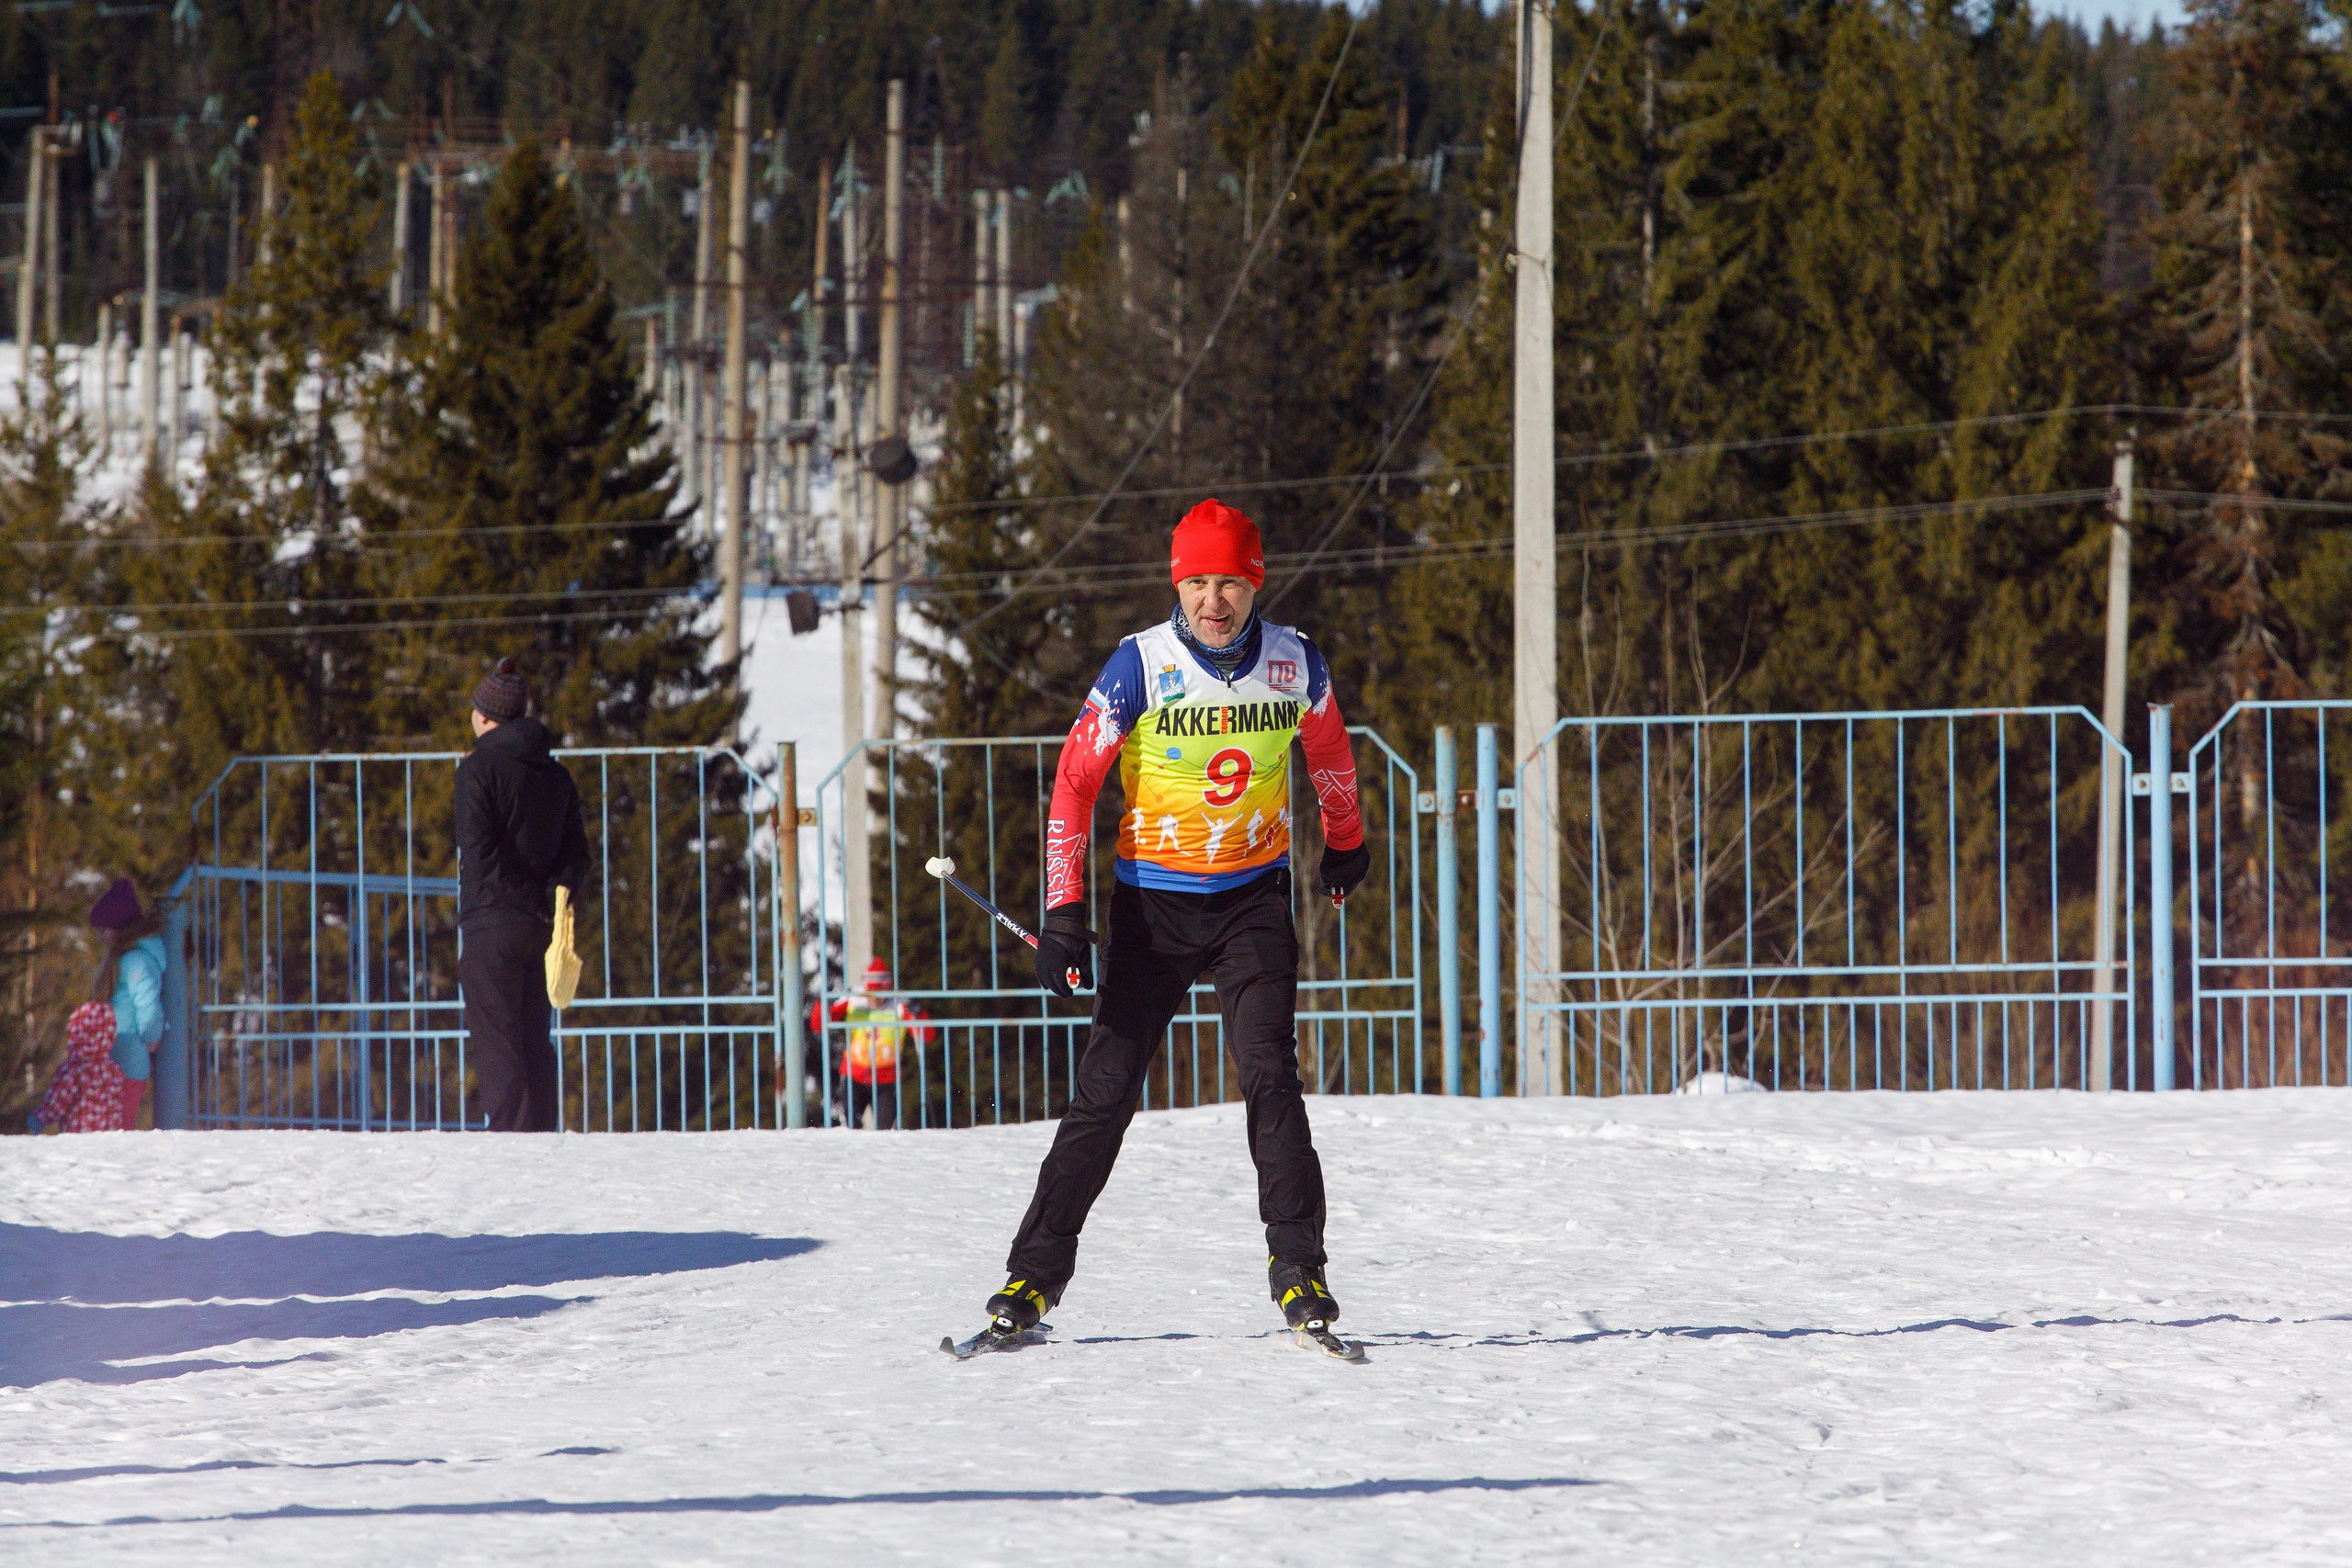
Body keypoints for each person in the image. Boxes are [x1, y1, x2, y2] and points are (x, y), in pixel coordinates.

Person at [976, 497, 1370, 1341]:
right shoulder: (1139, 666)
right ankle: (1032, 1276)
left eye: (1230, 583)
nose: (1213, 601)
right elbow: (1074, 785)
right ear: (1177, 585)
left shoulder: (1294, 663)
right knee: (1106, 1090)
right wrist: (1064, 913)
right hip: (1152, 909)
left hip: (1252, 903)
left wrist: (1346, 842)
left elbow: (1330, 751)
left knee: (1270, 1076)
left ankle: (1299, 1271)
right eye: (1196, 583)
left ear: (1255, 584)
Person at [454, 658, 591, 1133]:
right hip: (542, 926)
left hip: (491, 920)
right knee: (535, 1039)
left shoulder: (476, 771)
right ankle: (541, 1137)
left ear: (483, 716)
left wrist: (504, 897)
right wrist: (548, 895)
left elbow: (477, 851)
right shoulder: (556, 776)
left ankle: (512, 1141)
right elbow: (577, 855)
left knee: (498, 1039)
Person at [808, 956, 935, 1129]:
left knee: (886, 1132)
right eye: (871, 992)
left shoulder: (900, 1003)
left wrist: (920, 1014)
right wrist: (822, 1004)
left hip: (887, 1078)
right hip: (855, 1076)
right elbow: (818, 1026)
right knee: (851, 1128)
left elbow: (926, 1036)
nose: (875, 998)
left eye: (880, 993)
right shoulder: (853, 998)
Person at [88, 878, 166, 1126]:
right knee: (108, 1124)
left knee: (119, 1124)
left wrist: (149, 1038)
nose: (100, 937)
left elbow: (148, 1004)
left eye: (104, 930)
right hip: (116, 1056)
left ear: (120, 929)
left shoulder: (136, 961)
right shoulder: (124, 960)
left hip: (129, 1058)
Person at [31, 999, 131, 1134]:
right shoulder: (113, 1069)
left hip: (78, 1136)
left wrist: (39, 1118)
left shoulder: (75, 1069)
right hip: (108, 1137)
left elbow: (59, 1099)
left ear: (76, 1032)